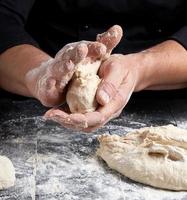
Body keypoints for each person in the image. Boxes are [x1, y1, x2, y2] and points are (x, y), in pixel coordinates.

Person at [0, 1, 187, 132]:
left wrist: (140, 67)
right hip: (33, 106)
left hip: (168, 107)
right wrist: (39, 74)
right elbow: (3, 16)